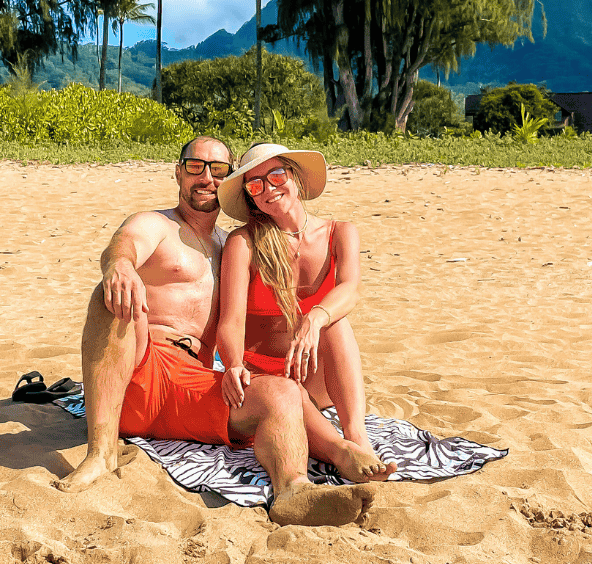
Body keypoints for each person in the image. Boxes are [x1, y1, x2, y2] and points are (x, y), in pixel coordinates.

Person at [52, 136, 377, 527]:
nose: (205, 177)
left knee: (281, 392)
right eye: (195, 166)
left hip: (195, 382)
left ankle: (294, 490)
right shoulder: (158, 225)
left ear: (226, 183)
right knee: (111, 296)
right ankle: (101, 454)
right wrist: (119, 265)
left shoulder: (231, 245)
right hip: (140, 369)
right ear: (178, 171)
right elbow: (126, 243)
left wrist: (239, 364)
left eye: (217, 169)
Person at [215, 143, 396, 482]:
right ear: (250, 197)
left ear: (295, 177)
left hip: (316, 375)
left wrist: (315, 318)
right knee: (285, 392)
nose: (268, 189)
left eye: (276, 175)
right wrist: (234, 365)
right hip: (265, 377)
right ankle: (340, 452)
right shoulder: (244, 242)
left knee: (335, 323)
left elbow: (351, 288)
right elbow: (231, 320)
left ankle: (357, 437)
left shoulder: (340, 232)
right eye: (255, 185)